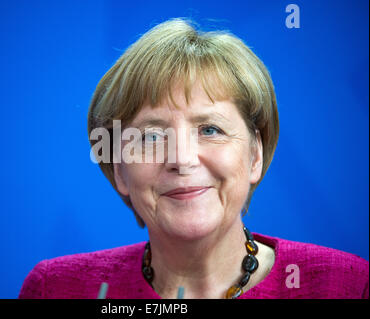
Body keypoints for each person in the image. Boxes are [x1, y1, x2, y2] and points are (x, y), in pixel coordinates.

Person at [19, 18, 368, 299]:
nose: (182, 159)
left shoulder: (347, 285)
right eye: (151, 136)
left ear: (255, 155)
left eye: (210, 130)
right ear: (119, 171)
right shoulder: (55, 289)